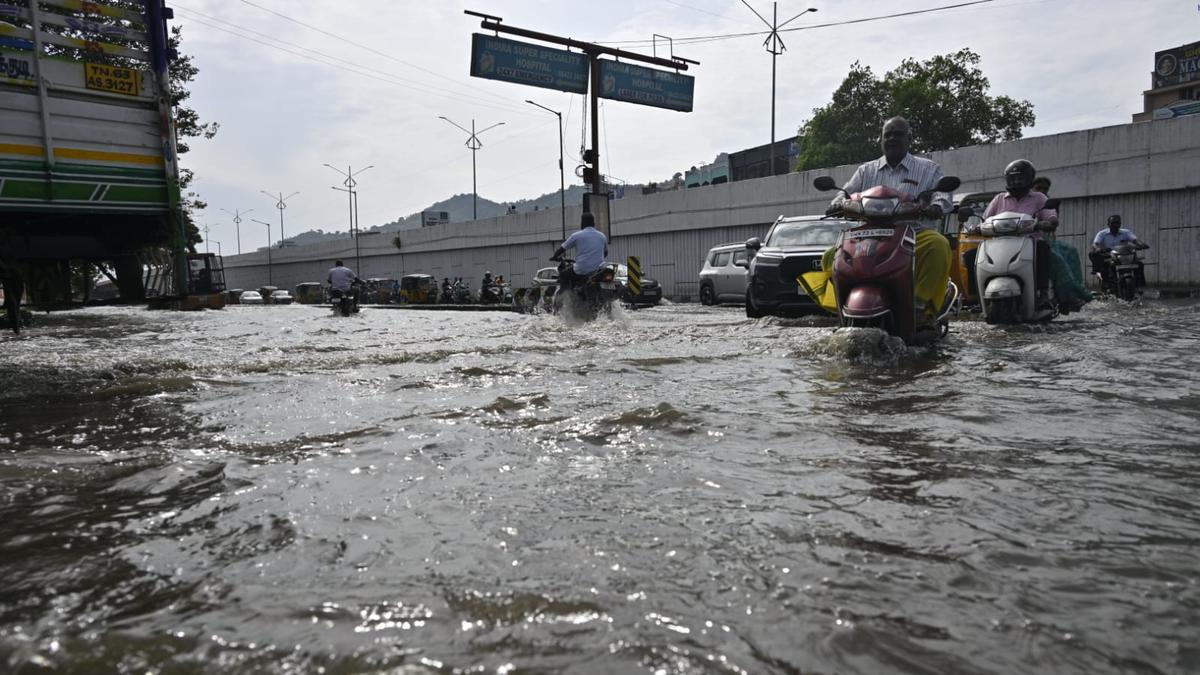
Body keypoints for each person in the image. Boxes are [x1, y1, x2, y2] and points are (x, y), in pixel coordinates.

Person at [831, 116, 952, 323]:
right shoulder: (866, 170)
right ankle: (837, 308)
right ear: (881, 139)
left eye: (898, 134)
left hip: (913, 234)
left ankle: (921, 307)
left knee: (938, 245)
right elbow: (845, 193)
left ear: (909, 138)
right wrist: (837, 203)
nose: (892, 139)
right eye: (888, 135)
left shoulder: (928, 168)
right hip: (868, 235)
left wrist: (936, 206)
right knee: (830, 256)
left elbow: (942, 195)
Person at [981, 160, 1057, 304]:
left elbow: (1051, 217)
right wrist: (978, 226)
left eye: (1020, 178)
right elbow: (985, 219)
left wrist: (1048, 222)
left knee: (1043, 249)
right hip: (999, 245)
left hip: (1030, 242)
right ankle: (976, 297)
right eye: (1013, 178)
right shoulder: (999, 199)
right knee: (971, 256)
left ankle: (1043, 292)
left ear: (1029, 179)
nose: (1016, 182)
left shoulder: (1039, 198)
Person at [551, 212, 608, 288]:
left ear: (582, 223)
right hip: (598, 270)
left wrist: (555, 256)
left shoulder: (576, 236)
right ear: (593, 223)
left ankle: (565, 297)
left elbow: (562, 248)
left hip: (581, 269)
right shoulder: (602, 236)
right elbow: (605, 253)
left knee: (563, 275)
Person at [1090, 215, 1149, 286]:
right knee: (1108, 265)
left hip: (1125, 255)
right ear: (1108, 224)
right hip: (1110, 255)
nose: (1115, 225)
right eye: (1113, 223)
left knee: (1139, 265)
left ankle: (1140, 286)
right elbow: (1096, 244)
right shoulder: (1102, 234)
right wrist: (1098, 248)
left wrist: (1142, 244)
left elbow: (1135, 240)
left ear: (1120, 224)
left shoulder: (1126, 232)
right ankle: (1108, 284)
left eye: (1117, 223)